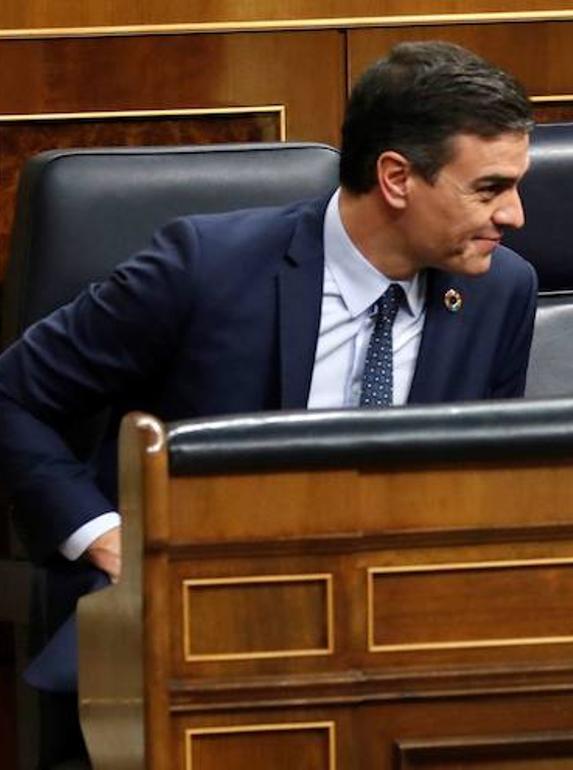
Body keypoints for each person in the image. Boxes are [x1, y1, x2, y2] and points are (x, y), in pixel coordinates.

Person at [0, 40, 538, 766]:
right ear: (396, 178)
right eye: (489, 189)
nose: (514, 216)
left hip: (398, 644)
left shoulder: (500, 291)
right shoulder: (205, 269)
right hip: (206, 625)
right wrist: (103, 535)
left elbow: (489, 480)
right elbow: (12, 395)